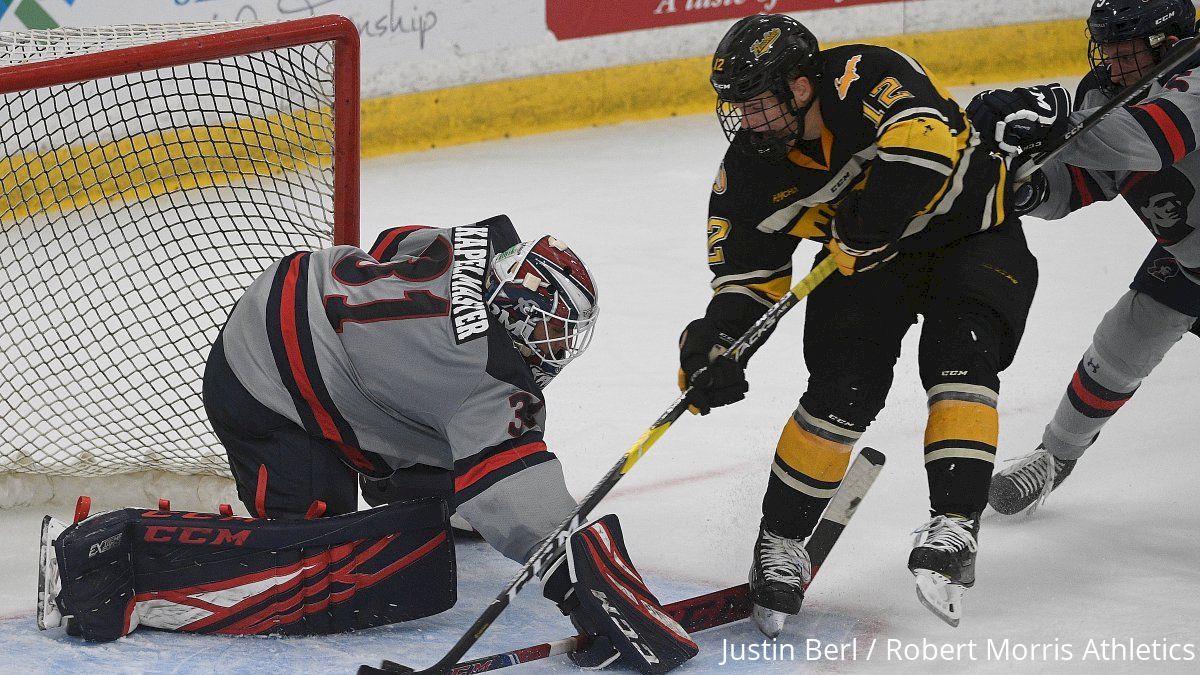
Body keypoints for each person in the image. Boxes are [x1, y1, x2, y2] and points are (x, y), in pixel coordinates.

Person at [38, 215, 697, 674]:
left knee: (439, 467)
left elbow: (395, 240)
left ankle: (403, 483)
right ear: (519, 313)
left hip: (296, 297)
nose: (553, 352)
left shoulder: (472, 246)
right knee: (309, 559)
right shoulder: (487, 374)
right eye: (550, 334)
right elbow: (523, 502)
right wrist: (594, 588)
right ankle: (110, 569)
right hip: (266, 386)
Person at [679, 13, 1039, 631]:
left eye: (759, 104)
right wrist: (718, 344)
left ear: (799, 86)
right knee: (841, 390)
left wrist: (865, 225)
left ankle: (953, 523)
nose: (747, 121)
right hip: (866, 265)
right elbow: (747, 281)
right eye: (738, 107)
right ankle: (781, 544)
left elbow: (923, 146)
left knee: (960, 361)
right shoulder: (747, 175)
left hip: (972, 237)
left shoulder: (863, 72)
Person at [966, 0, 1200, 515]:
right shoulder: (1101, 92)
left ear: (1167, 41)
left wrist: (1057, 126)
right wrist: (1020, 190)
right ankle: (1055, 458)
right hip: (1190, 264)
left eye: (1126, 50)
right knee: (1125, 337)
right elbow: (1085, 181)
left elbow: (1152, 141)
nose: (1113, 64)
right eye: (1107, 49)